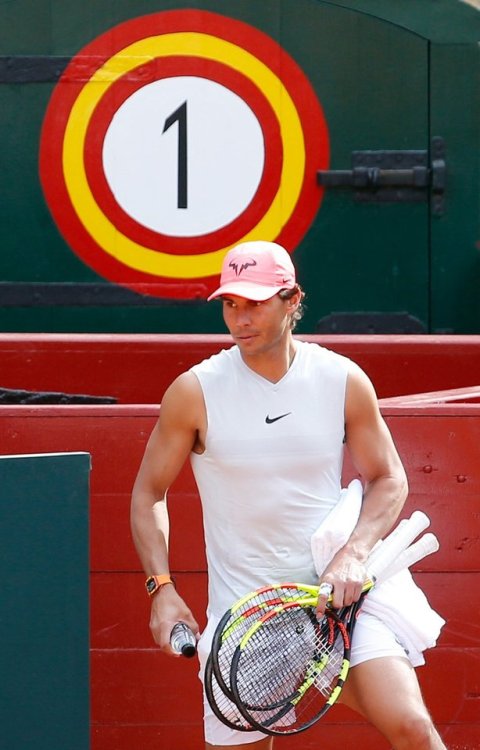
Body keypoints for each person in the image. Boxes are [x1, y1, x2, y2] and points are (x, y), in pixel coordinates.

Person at [130, 240, 447, 750]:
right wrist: (160, 589)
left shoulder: (341, 379)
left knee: (414, 728)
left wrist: (353, 554)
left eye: (254, 302)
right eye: (231, 303)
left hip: (340, 606)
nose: (239, 318)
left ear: (291, 298)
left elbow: (389, 477)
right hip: (247, 620)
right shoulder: (194, 391)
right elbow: (148, 493)